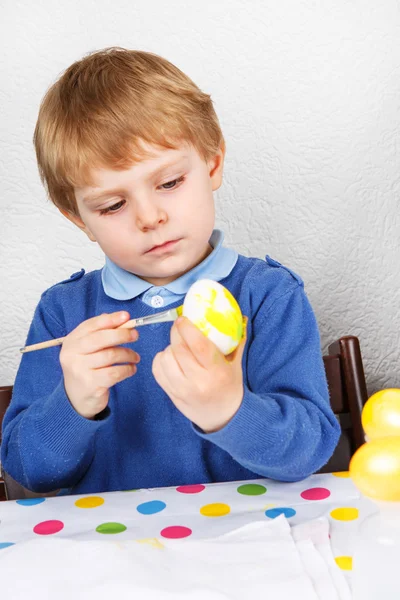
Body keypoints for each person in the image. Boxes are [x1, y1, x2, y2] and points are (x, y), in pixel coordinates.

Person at [1, 48, 340, 494]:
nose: (150, 217)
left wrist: (228, 409)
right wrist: (74, 403)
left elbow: (309, 453)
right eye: (113, 205)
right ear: (80, 219)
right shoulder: (63, 312)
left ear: (213, 163)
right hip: (111, 554)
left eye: (169, 183)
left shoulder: (267, 295)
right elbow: (29, 472)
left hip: (245, 548)